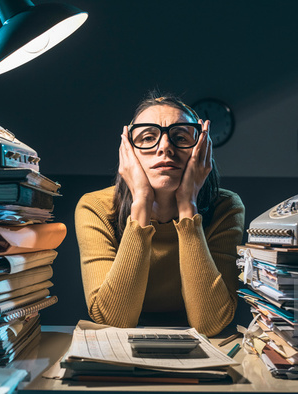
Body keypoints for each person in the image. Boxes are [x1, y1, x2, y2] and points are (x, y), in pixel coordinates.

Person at [74, 91, 245, 336]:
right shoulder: (95, 207)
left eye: (180, 137)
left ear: (202, 148)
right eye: (147, 137)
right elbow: (114, 321)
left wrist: (188, 207)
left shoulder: (226, 207)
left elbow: (210, 323)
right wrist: (142, 202)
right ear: (128, 150)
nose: (164, 148)